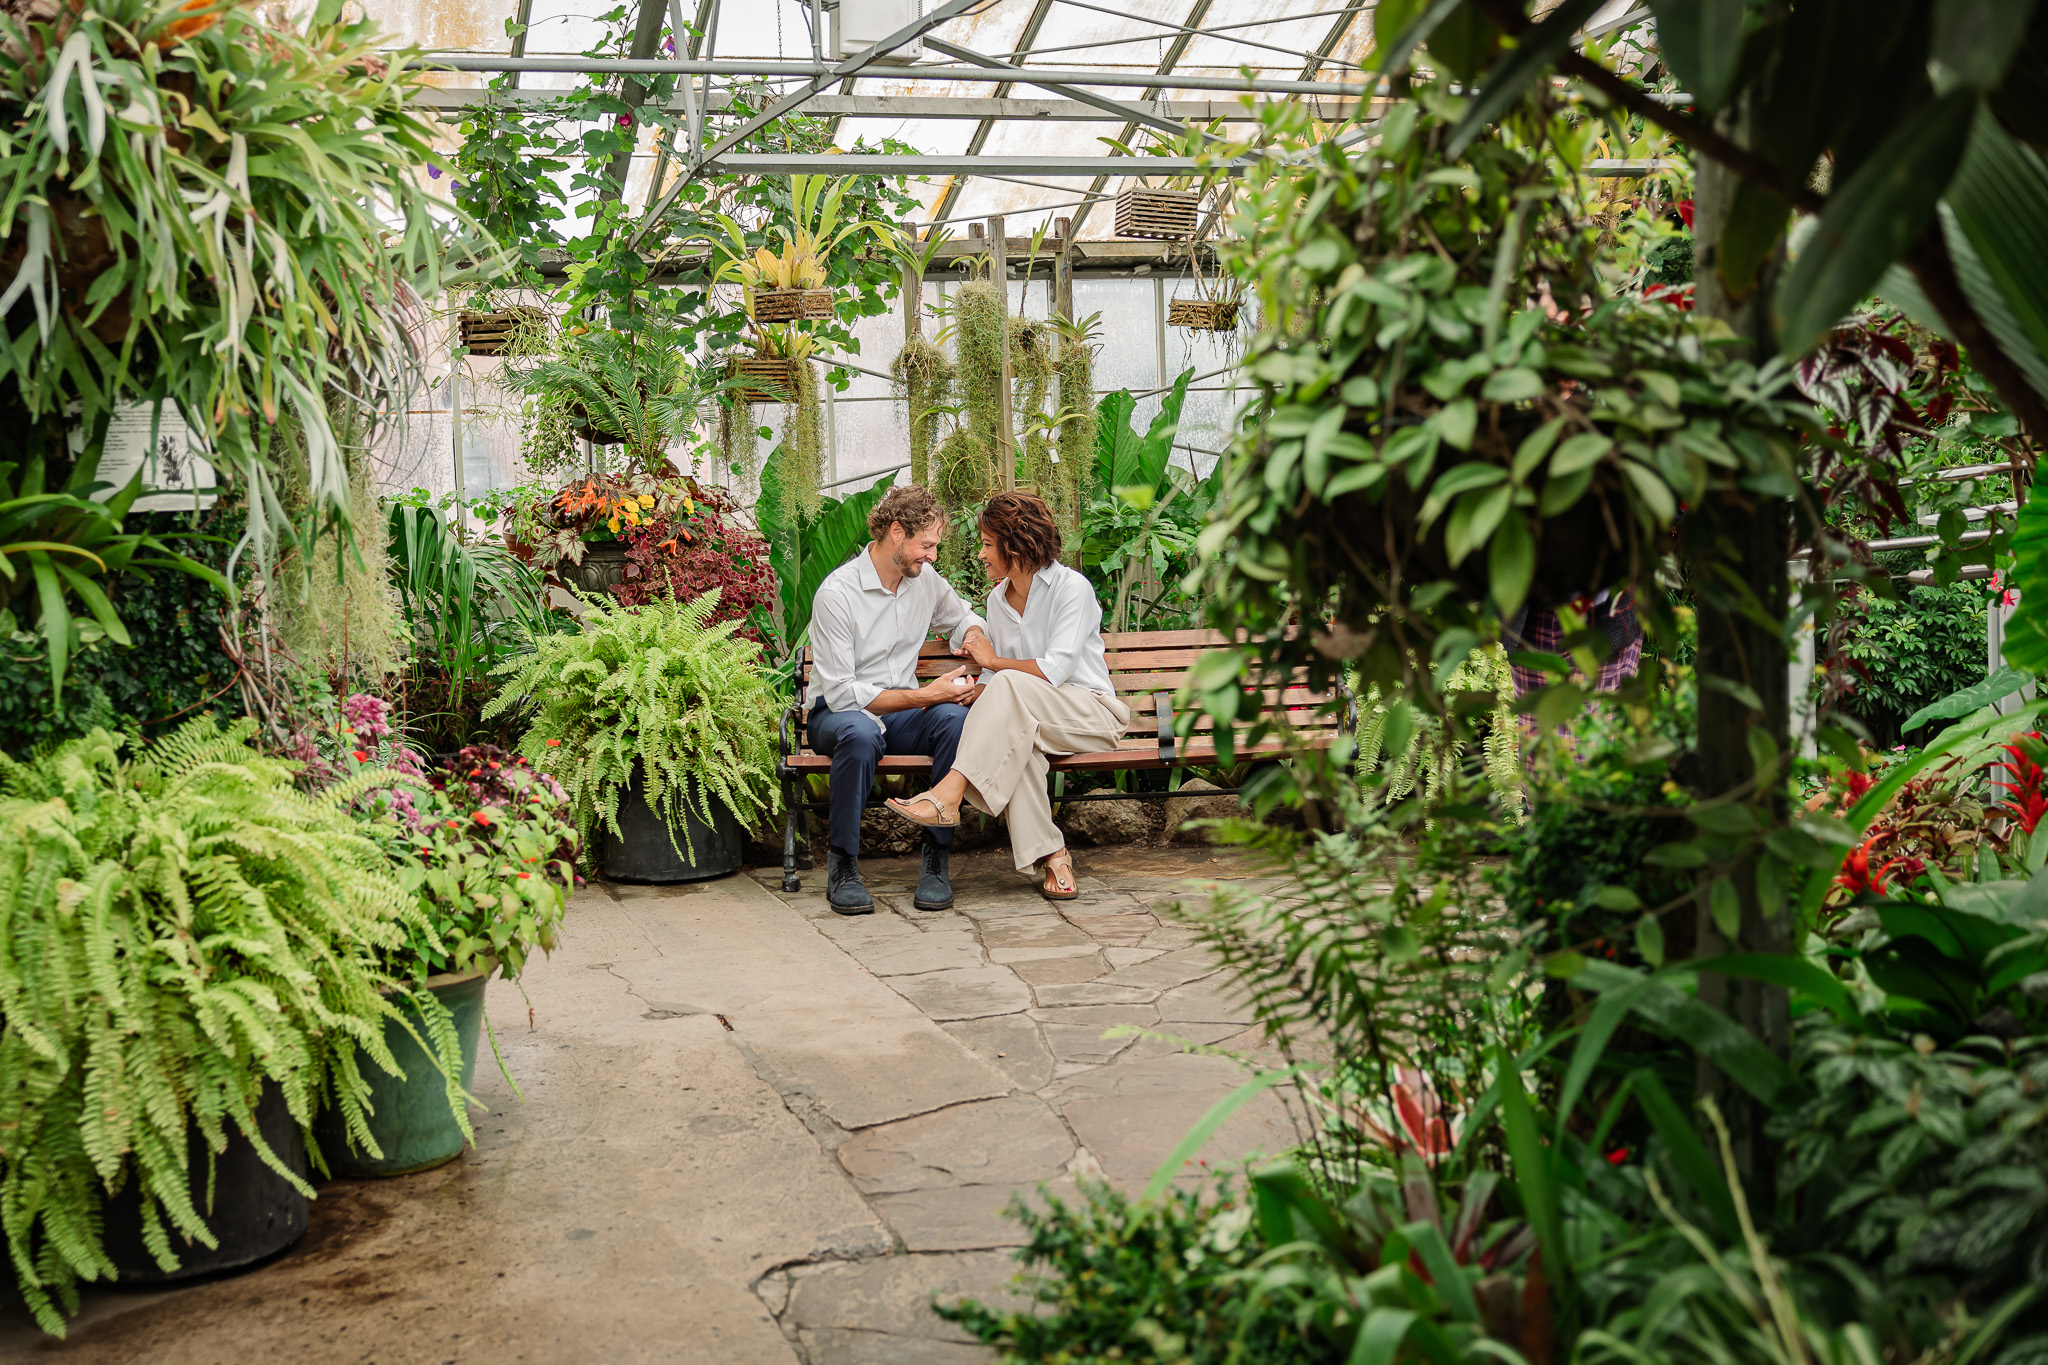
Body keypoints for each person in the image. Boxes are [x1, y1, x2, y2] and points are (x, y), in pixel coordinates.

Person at [884, 491, 1130, 901]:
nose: (980, 554)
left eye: (985, 543)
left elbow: (1053, 671)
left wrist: (994, 662)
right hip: (1032, 718)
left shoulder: (1071, 589)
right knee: (1020, 747)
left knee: (1012, 689)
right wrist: (974, 690)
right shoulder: (997, 601)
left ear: (1014, 544)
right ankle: (1054, 856)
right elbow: (1002, 682)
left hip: (1090, 713)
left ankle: (949, 792)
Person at [808, 484, 990, 915]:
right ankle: (843, 866)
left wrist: (974, 636)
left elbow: (962, 616)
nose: (931, 556)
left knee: (954, 720)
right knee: (859, 733)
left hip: (903, 715)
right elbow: (841, 693)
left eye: (935, 546)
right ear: (895, 532)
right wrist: (925, 694)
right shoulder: (838, 594)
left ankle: (935, 862)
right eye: (925, 545)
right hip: (838, 716)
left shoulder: (923, 581)